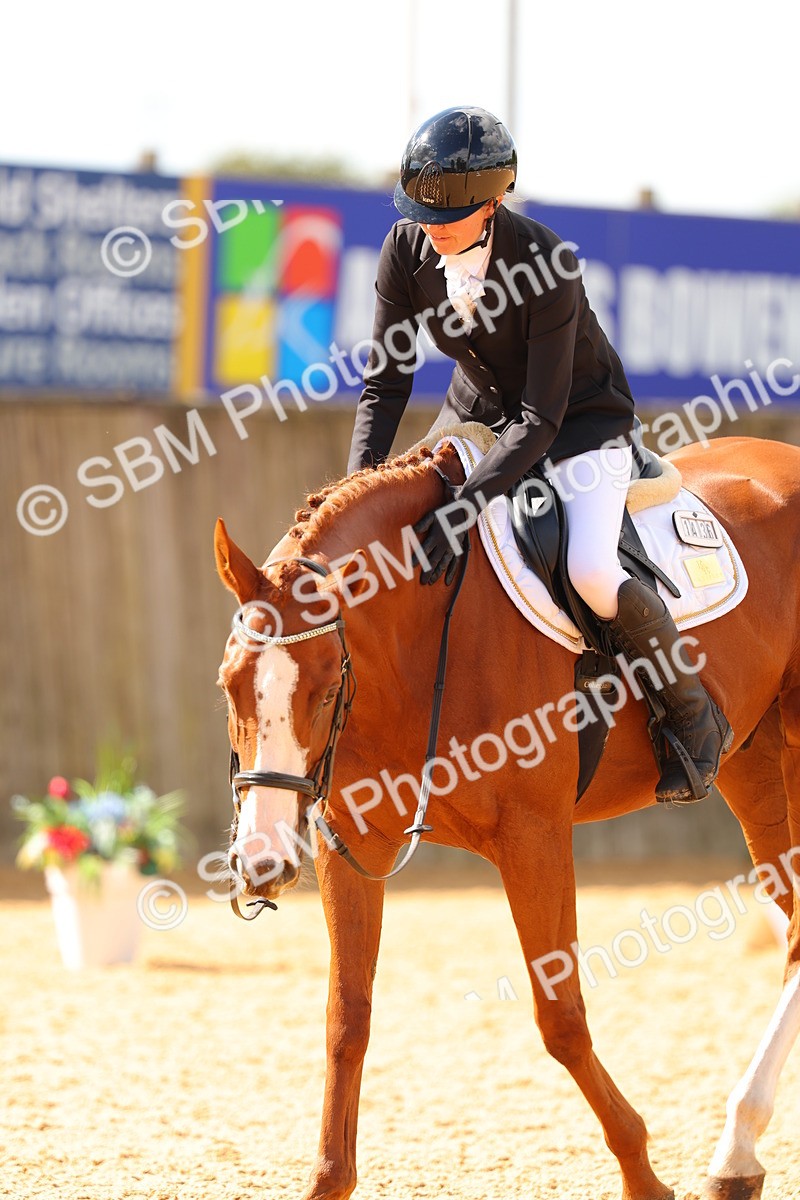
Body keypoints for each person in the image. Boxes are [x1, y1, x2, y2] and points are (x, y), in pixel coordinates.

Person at [346, 104, 732, 804]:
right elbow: (386, 381)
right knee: (402, 528)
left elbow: (541, 416)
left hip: (579, 421)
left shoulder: (546, 262)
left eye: (449, 220)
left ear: (494, 204)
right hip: (475, 412)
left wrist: (467, 508)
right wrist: (358, 490)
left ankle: (692, 717)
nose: (431, 233)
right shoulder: (405, 248)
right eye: (420, 216)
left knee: (587, 568)